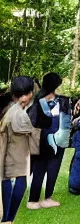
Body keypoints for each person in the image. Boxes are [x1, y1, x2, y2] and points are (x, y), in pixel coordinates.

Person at [27, 72, 71, 210]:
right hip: (46, 140)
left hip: (53, 139)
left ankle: (42, 199)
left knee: (49, 168)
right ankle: (38, 199)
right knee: (44, 168)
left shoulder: (58, 101)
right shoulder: (42, 102)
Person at [0, 76, 39, 224]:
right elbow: (30, 131)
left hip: (9, 153)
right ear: (29, 93)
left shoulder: (10, 109)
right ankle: (8, 219)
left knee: (8, 180)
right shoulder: (19, 113)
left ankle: (7, 219)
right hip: (17, 153)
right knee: (20, 180)